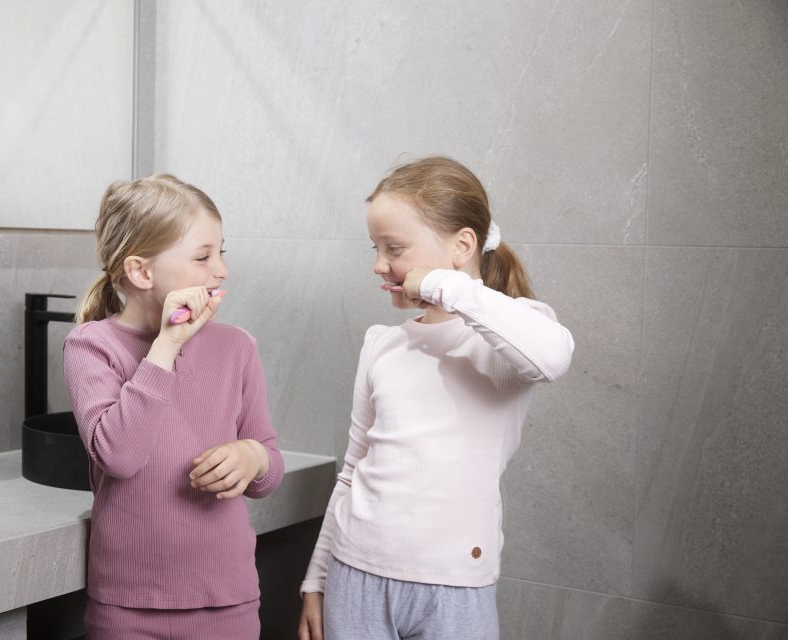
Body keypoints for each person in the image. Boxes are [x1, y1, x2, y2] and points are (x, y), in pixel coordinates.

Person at [298, 156, 574, 640]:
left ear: (462, 245)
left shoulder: (512, 335)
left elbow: (552, 358)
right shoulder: (383, 343)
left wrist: (444, 285)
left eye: (395, 248)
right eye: (376, 248)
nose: (380, 265)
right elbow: (353, 469)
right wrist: (315, 580)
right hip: (354, 572)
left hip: (454, 586)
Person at [63, 174, 284, 640]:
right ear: (142, 272)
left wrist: (254, 457)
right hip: (127, 608)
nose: (220, 270)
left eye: (222, 252)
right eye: (203, 257)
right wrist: (165, 346)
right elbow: (119, 456)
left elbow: (269, 467)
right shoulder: (91, 346)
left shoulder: (237, 347)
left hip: (228, 602)